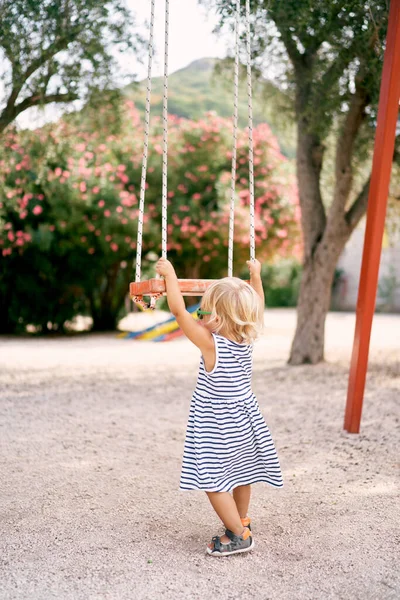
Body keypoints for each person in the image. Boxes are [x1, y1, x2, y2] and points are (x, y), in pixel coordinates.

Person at [155, 257, 283, 557]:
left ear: (220, 318)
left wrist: (171, 275)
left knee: (213, 480)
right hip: (245, 418)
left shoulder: (211, 343)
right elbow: (258, 305)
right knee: (242, 473)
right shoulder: (245, 338)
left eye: (206, 308)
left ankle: (239, 536)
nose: (201, 312)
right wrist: (256, 277)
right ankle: (241, 520)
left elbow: (177, 311)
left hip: (218, 424)